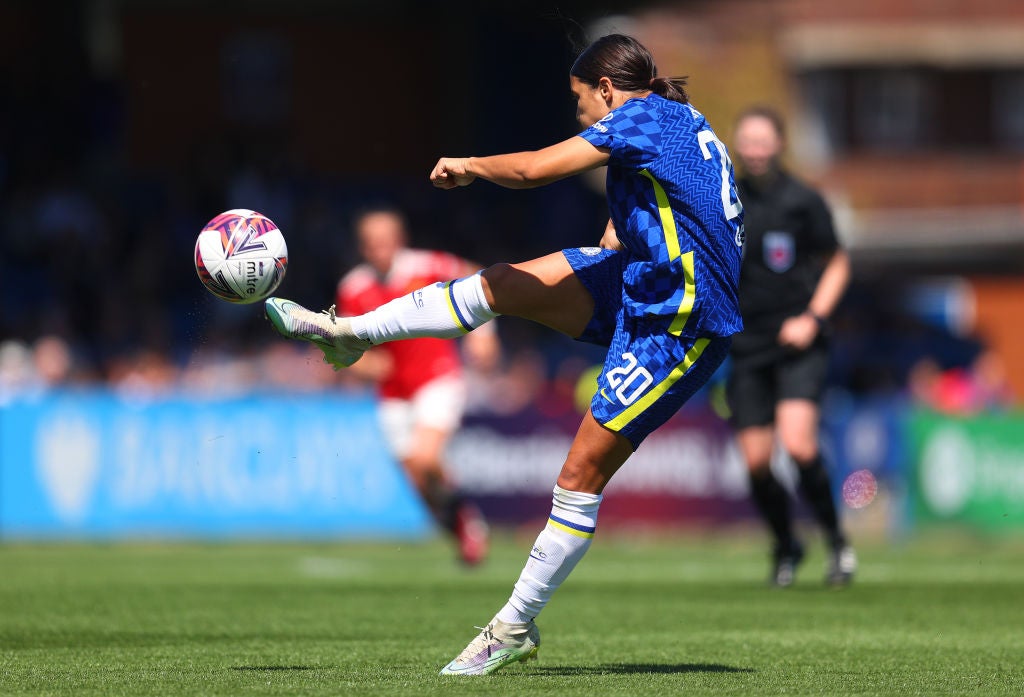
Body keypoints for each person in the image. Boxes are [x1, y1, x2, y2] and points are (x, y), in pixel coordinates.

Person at [265, 34, 743, 675]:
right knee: (503, 283)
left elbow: (534, 170)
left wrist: (467, 165)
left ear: (606, 89)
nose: (578, 115)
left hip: (681, 325)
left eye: (579, 101)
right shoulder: (672, 119)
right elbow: (680, 200)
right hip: (643, 281)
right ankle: (350, 333)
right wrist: (623, 230)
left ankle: (513, 626)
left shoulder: (641, 116)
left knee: (577, 482)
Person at [727, 105, 856, 587]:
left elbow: (838, 263)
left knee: (799, 445)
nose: (756, 150)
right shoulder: (724, 197)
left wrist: (813, 319)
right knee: (757, 463)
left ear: (779, 144)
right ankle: (786, 545)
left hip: (798, 342)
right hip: (744, 344)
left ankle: (837, 543)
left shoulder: (803, 200)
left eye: (764, 141)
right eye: (748, 141)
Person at [337, 206, 497, 565]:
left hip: (438, 377)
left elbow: (480, 279)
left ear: (399, 241)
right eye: (370, 243)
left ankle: (468, 522)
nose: (378, 249)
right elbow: (346, 347)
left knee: (426, 458)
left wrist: (483, 333)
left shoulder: (428, 267)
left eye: (384, 241)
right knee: (419, 482)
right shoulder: (353, 288)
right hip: (393, 393)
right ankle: (461, 528)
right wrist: (364, 365)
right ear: (362, 247)